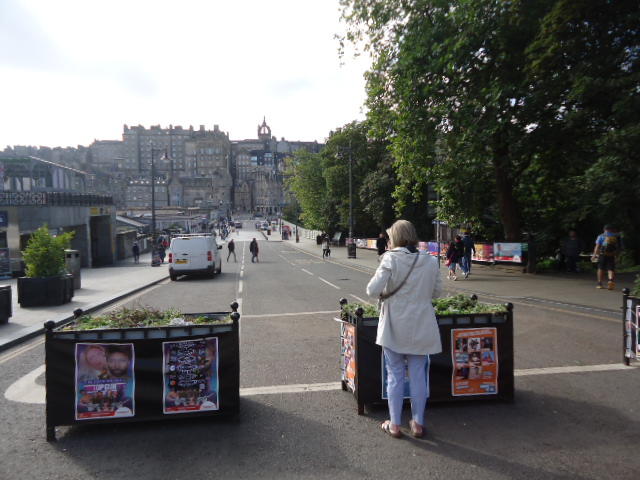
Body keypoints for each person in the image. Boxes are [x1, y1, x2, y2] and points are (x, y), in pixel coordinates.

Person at [366, 219, 443, 439]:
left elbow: (372, 290)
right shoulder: (430, 260)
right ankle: (418, 422)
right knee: (418, 375)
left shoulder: (390, 258)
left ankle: (395, 424)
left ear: (395, 237)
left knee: (395, 375)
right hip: (422, 323)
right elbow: (437, 293)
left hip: (394, 325)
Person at [592, 224, 623, 290]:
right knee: (610, 269)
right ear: (611, 230)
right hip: (611, 255)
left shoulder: (601, 236)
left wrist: (594, 255)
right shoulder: (616, 236)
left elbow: (597, 246)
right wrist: (617, 256)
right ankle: (610, 280)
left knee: (600, 268)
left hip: (602, 254)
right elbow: (619, 247)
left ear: (604, 229)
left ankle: (600, 284)